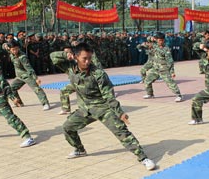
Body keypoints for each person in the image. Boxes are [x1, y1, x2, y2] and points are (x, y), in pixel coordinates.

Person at [51, 42, 156, 171]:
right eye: (84, 58)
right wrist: (66, 54)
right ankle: (79, 149)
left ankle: (143, 158)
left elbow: (109, 96)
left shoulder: (98, 73)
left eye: (90, 58)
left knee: (122, 132)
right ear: (76, 57)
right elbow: (53, 56)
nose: (88, 61)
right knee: (67, 127)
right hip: (85, 109)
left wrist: (120, 113)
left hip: (103, 108)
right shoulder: (70, 67)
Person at [54, 44, 103, 115]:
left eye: (68, 52)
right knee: (64, 90)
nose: (68, 54)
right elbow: (53, 56)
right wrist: (64, 55)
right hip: (77, 83)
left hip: (89, 82)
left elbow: (97, 65)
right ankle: (66, 109)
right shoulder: (69, 63)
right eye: (65, 53)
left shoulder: (85, 59)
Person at [7, 40, 51, 110]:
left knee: (37, 89)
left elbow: (29, 68)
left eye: (16, 49)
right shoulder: (11, 53)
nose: (15, 51)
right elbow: (5, 46)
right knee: (11, 88)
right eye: (13, 50)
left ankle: (45, 103)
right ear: (10, 49)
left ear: (18, 48)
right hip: (19, 76)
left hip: (27, 76)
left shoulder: (22, 57)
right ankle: (19, 103)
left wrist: (35, 78)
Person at [142, 32, 183, 102]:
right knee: (147, 80)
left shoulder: (166, 49)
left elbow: (170, 61)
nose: (161, 42)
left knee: (170, 83)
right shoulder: (154, 45)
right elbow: (148, 39)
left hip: (164, 69)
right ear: (156, 40)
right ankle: (150, 94)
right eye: (159, 40)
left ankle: (179, 95)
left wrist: (172, 72)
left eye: (162, 40)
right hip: (155, 69)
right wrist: (151, 38)